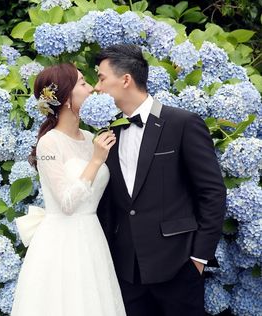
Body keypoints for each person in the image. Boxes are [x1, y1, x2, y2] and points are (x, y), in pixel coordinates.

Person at [95, 44, 227, 316]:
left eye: (101, 78)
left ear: (125, 79)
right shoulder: (108, 132)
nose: (97, 87)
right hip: (127, 271)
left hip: (179, 265)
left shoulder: (182, 123)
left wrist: (198, 258)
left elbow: (212, 192)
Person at [11, 63, 126, 316]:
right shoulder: (49, 143)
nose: (91, 89)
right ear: (65, 98)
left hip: (92, 238)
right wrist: (96, 160)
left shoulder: (89, 138)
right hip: (61, 243)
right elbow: (67, 203)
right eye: (83, 84)